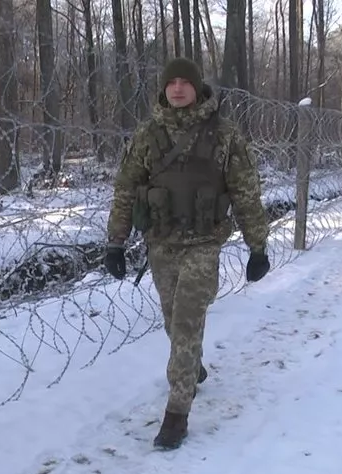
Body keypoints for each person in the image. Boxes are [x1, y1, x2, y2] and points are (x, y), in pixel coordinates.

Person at [103, 57, 270, 450]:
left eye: (185, 82)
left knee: (185, 324)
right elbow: (126, 190)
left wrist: (257, 245)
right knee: (171, 321)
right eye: (171, 82)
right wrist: (116, 241)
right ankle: (192, 367)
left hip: (203, 244)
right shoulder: (147, 135)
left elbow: (245, 191)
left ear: (197, 88)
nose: (177, 88)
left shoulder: (224, 134)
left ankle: (176, 413)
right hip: (161, 243)